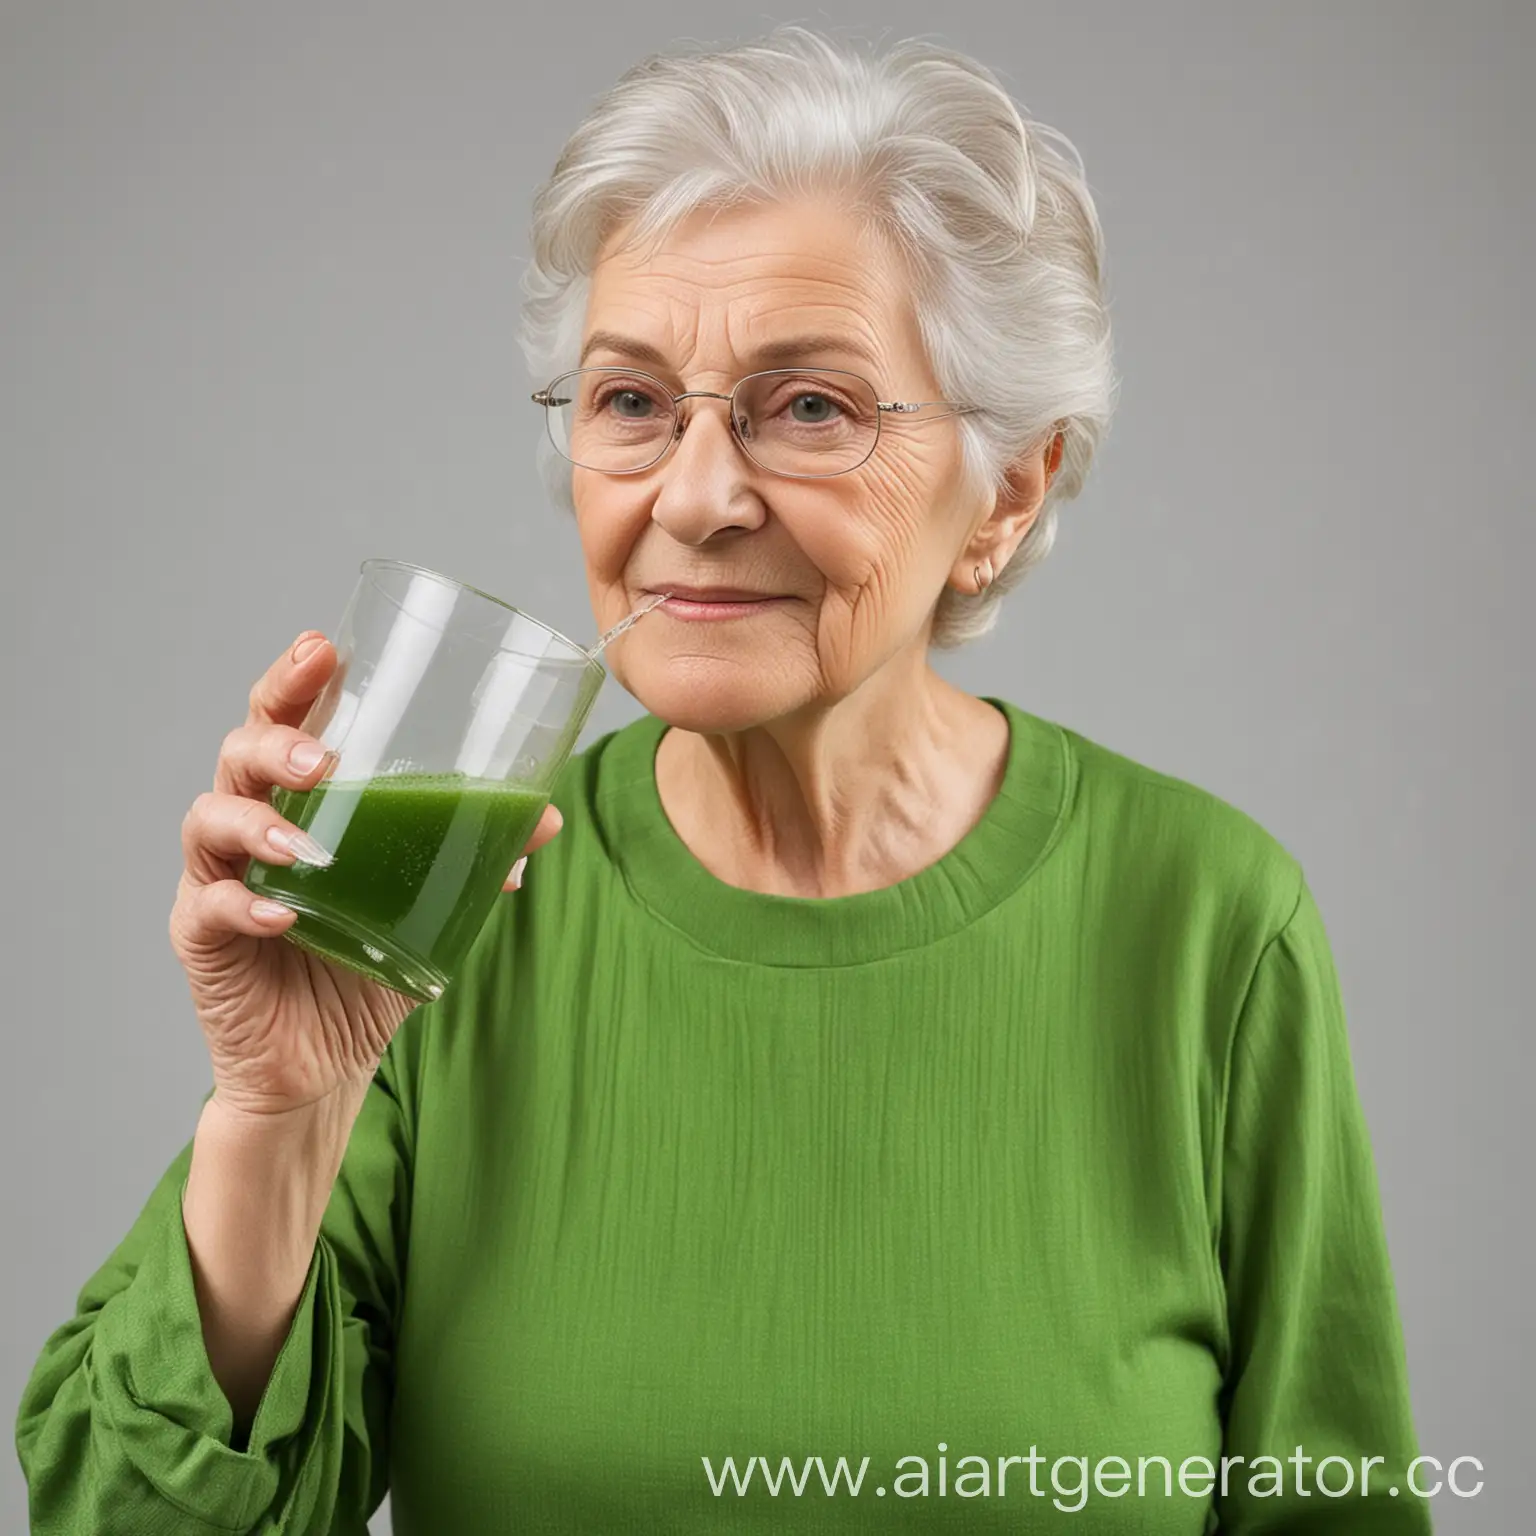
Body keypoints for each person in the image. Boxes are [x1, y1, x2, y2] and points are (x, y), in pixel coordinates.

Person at [15, 24, 1430, 1534]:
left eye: (810, 406)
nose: (692, 495)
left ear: (1005, 493)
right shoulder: (439, 914)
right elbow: (127, 1517)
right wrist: (279, 1111)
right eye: (631, 404)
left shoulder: (1208, 920)